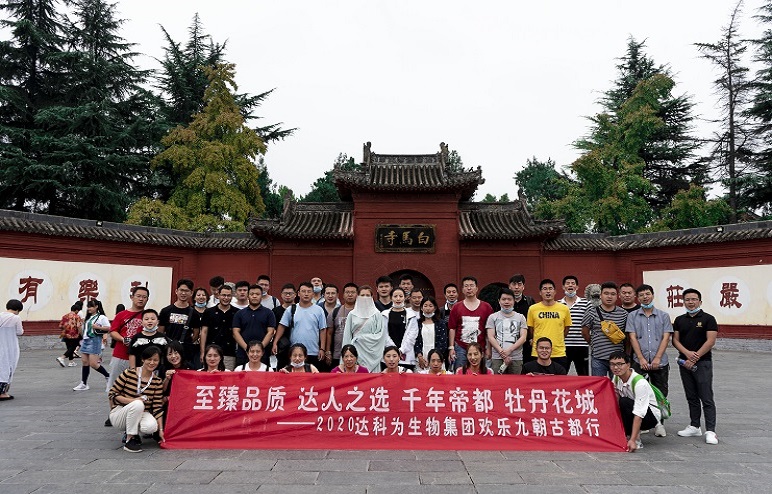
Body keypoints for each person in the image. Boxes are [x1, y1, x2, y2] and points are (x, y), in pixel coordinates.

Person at [673, 288, 719, 445]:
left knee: (706, 396)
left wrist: (695, 357)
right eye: (687, 299)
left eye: (694, 299)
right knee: (691, 395)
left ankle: (711, 431)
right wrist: (687, 354)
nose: (690, 302)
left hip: (703, 362)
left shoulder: (708, 319)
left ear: (700, 301)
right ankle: (694, 426)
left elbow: (710, 341)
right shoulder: (679, 320)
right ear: (683, 302)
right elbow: (675, 340)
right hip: (684, 363)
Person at [627, 283, 673, 438]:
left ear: (652, 295)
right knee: (638, 393)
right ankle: (644, 423)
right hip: (639, 361)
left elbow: (666, 338)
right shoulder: (633, 316)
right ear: (637, 298)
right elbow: (632, 337)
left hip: (660, 362)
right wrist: (640, 358)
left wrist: (657, 358)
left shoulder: (663, 316)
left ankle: (659, 424)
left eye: (647, 294)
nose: (645, 297)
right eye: (641, 295)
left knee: (661, 393)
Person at [108, 346, 164, 453]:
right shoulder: (129, 373)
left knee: (151, 427)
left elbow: (157, 407)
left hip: (142, 412)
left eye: (155, 360)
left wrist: (161, 430)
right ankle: (130, 439)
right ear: (143, 359)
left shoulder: (157, 381)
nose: (152, 363)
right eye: (149, 359)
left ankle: (134, 431)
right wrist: (133, 401)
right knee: (138, 404)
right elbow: (112, 393)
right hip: (121, 411)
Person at [609, 351, 661, 452]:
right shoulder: (616, 377)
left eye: (620, 364)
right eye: (612, 364)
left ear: (628, 365)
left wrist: (633, 440)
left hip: (649, 417)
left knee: (624, 402)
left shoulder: (640, 383)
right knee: (617, 404)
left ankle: (635, 439)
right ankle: (624, 434)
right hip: (632, 410)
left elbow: (639, 413)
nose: (616, 368)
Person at [274, 282, 327, 368]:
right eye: (303, 291)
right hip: (295, 352)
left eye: (309, 291)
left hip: (313, 351)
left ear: (313, 294)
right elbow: (282, 326)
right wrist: (275, 343)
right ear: (298, 293)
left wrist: (322, 348)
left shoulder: (319, 310)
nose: (306, 294)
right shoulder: (291, 309)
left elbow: (323, 330)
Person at [107, 286, 149, 393]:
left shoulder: (148, 316)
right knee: (115, 386)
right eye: (138, 296)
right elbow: (113, 331)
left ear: (147, 299)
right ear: (132, 297)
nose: (141, 299)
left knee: (136, 388)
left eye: (144, 297)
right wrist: (123, 339)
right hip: (120, 355)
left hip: (140, 358)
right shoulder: (121, 315)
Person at [582, 281, 628, 377]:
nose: (609, 297)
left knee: (616, 385)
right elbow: (585, 332)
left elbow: (627, 336)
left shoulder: (623, 314)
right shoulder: (591, 312)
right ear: (600, 295)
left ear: (617, 296)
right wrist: (594, 343)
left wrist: (626, 354)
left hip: (617, 359)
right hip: (598, 358)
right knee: (598, 384)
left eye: (613, 294)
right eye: (606, 293)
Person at [448, 276, 494, 370]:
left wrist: (489, 348)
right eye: (466, 286)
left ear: (476, 288)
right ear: (462, 289)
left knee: (481, 373)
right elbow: (452, 328)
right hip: (461, 348)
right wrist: (451, 347)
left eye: (471, 286)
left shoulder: (486, 307)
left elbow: (489, 330)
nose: (469, 288)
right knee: (460, 373)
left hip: (480, 347)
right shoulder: (456, 307)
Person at [527, 279, 572, 371]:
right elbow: (531, 329)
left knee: (559, 379)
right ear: (540, 292)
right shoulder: (533, 309)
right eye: (545, 289)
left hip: (558, 352)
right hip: (538, 353)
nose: (548, 291)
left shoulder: (564, 309)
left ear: (555, 292)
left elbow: (566, 329)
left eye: (550, 289)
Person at [342, 285, 388, 373]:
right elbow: (347, 336)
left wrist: (362, 338)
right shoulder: (352, 314)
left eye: (367, 295)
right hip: (356, 352)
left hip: (372, 353)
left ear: (372, 297)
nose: (365, 298)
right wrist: (346, 354)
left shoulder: (377, 314)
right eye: (362, 295)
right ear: (358, 297)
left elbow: (381, 336)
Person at [158, 279, 200, 368]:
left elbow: (196, 334)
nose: (183, 293)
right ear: (176, 291)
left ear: (191, 293)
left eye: (186, 291)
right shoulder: (166, 311)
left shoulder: (194, 313)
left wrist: (186, 342)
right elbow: (160, 332)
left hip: (185, 352)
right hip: (168, 351)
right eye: (181, 290)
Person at [233, 284, 276, 368]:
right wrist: (248, 349)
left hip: (262, 354)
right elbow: (235, 332)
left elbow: (271, 332)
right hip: (243, 353)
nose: (254, 296)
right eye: (252, 294)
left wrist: (259, 349)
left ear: (261, 296)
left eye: (257, 294)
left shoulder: (269, 313)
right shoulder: (239, 313)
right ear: (248, 296)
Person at [486, 288, 527, 375]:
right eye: (504, 299)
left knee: (516, 381)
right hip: (497, 357)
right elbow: (490, 336)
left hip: (516, 357)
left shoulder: (521, 317)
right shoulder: (493, 317)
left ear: (514, 301)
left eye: (509, 299)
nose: (506, 302)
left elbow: (523, 337)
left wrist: (509, 350)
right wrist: (501, 351)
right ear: (499, 301)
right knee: (497, 381)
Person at [73, 300, 111, 391]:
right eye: (88, 306)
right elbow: (83, 332)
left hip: (95, 340)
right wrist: (79, 327)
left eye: (91, 306)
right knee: (85, 362)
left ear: (96, 306)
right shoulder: (88, 317)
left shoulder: (101, 317)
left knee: (93, 364)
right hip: (86, 340)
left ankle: (108, 376)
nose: (89, 308)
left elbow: (109, 328)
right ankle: (84, 383)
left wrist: (98, 327)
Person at [200, 283, 239, 370]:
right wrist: (203, 352)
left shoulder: (237, 313)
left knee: (227, 376)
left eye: (229, 295)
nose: (226, 298)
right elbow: (204, 332)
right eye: (223, 295)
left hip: (229, 353)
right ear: (218, 295)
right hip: (211, 353)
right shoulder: (209, 312)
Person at [559, 275, 591, 376]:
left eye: (573, 283)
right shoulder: (557, 304)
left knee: (584, 375)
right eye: (567, 283)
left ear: (577, 287)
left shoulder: (586, 303)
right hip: (563, 346)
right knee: (561, 375)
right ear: (563, 287)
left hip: (582, 345)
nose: (570, 285)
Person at [412, 296, 449, 373]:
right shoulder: (417, 323)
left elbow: (443, 342)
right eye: (425, 306)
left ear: (435, 308)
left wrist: (434, 358)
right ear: (421, 308)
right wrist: (419, 356)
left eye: (430, 306)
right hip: (421, 358)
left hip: (437, 358)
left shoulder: (441, 323)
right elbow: (415, 341)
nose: (428, 308)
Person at [381, 288, 416, 370]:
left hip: (406, 356)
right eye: (395, 296)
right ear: (391, 298)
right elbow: (383, 333)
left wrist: (401, 350)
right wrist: (393, 350)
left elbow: (412, 335)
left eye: (400, 296)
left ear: (404, 297)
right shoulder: (384, 314)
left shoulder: (411, 315)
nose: (398, 298)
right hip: (388, 355)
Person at [327, 283, 357, 368]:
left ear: (357, 295)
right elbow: (329, 333)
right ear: (343, 295)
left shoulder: (361, 312)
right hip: (338, 353)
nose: (350, 295)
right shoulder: (335, 312)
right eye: (347, 292)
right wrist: (328, 351)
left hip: (357, 353)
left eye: (353, 292)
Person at [509, 274, 536, 363]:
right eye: (514, 284)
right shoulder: (505, 302)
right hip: (509, 342)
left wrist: (532, 337)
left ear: (523, 287)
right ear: (509, 286)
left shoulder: (529, 302)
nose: (516, 287)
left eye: (519, 284)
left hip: (527, 343)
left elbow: (534, 321)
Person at [0, 299, 24, 400]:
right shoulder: (15, 318)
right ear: (18, 309)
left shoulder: (0, 315)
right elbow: (19, 332)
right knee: (8, 367)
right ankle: (3, 392)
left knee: (1, 366)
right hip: (10, 346)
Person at [57, 301, 83, 367]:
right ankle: (62, 357)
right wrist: (81, 334)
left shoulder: (64, 316)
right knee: (73, 348)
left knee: (69, 348)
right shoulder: (77, 317)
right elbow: (79, 326)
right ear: (76, 310)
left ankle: (71, 362)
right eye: (78, 311)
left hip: (66, 334)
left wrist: (65, 330)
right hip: (74, 335)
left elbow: (60, 326)